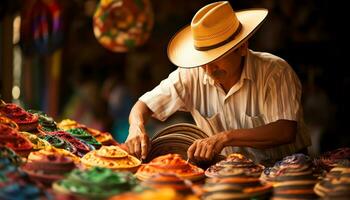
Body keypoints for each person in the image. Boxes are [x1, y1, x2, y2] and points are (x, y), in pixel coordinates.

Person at [125, 1, 311, 164]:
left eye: (217, 58)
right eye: (203, 60)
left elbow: (285, 130)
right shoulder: (191, 74)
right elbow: (143, 106)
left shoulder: (275, 71)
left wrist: (226, 137)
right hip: (228, 173)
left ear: (242, 47)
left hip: (288, 172)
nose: (208, 69)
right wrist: (136, 128)